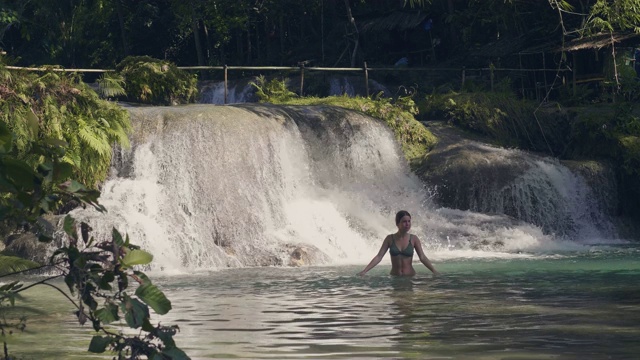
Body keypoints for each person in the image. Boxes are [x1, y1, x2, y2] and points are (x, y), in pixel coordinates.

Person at [358, 210, 439, 277]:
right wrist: (364, 271)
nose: (407, 224)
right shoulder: (389, 239)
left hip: (410, 277)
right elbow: (379, 256)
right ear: (397, 224)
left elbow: (422, 257)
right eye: (404, 221)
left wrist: (434, 271)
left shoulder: (414, 239)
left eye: (409, 221)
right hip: (395, 278)